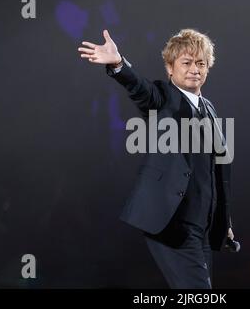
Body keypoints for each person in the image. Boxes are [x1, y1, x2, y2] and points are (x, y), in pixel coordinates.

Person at [78, 28, 237, 288]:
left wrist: (223, 219)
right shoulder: (164, 97)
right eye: (187, 63)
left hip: (204, 228)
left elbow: (214, 171)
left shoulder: (210, 109)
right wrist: (119, 65)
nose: (195, 69)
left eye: (201, 63)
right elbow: (141, 89)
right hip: (173, 222)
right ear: (170, 69)